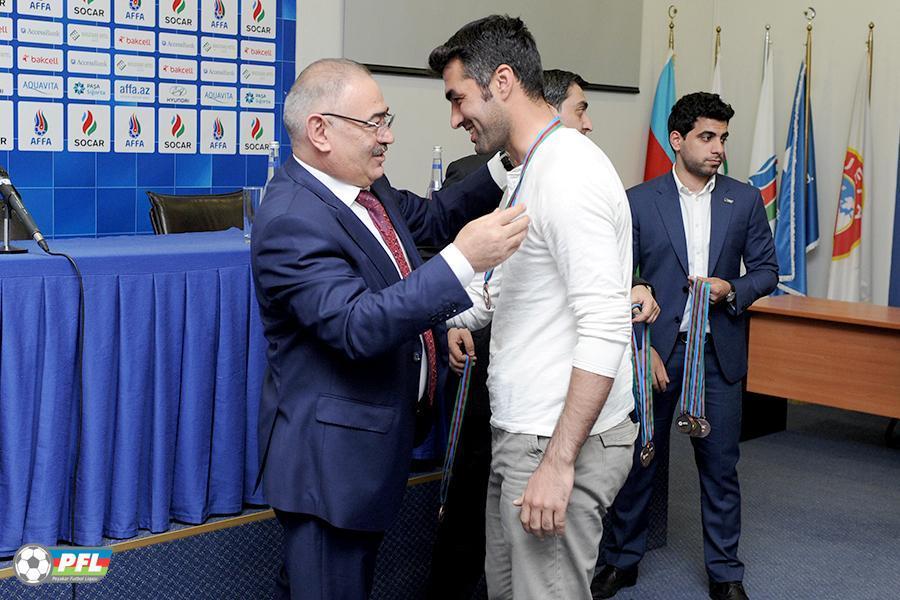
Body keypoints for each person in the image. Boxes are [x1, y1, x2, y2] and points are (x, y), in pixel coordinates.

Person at [250, 58, 530, 600]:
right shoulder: (291, 219)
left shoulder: (365, 190)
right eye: (374, 123)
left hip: (366, 450)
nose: (389, 136)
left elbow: (432, 216)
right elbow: (357, 325)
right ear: (320, 131)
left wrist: (507, 161)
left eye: (387, 119)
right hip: (329, 465)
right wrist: (461, 261)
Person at [429, 17, 639, 599]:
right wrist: (433, 309)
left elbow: (605, 326)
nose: (455, 118)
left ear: (501, 82)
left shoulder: (568, 172)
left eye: (458, 99)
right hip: (522, 432)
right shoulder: (527, 170)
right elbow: (501, 291)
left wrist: (559, 462)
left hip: (555, 441)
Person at [592, 92, 778, 600]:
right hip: (656, 352)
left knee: (720, 468)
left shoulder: (744, 200)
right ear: (677, 140)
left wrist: (731, 289)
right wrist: (641, 335)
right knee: (638, 461)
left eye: (723, 138)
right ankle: (621, 561)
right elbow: (618, 276)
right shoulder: (638, 200)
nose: (718, 148)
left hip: (717, 356)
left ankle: (726, 574)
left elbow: (767, 271)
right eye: (707, 137)